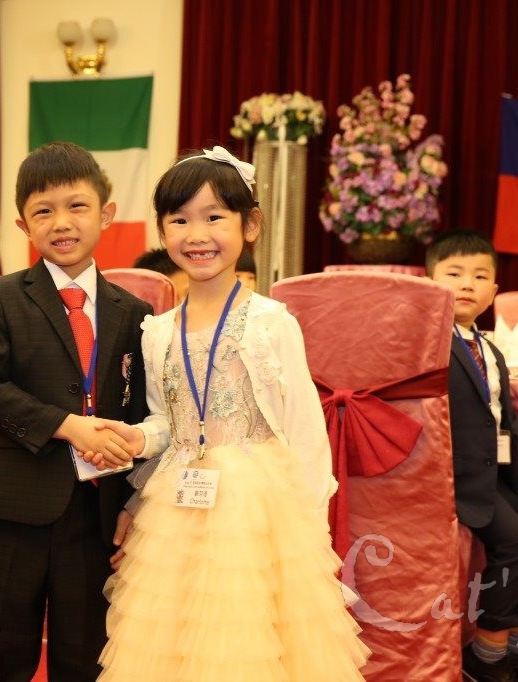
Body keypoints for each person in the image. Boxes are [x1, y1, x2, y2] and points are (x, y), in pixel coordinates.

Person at [86, 146, 369, 680]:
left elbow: (305, 430)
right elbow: (167, 422)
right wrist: (136, 443)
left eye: (214, 217)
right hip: (177, 501)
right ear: (162, 230)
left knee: (247, 641)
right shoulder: (157, 331)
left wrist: (307, 536)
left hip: (255, 506)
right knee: (173, 639)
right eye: (180, 220)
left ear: (250, 224)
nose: (197, 235)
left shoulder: (270, 322)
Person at [0, 140, 152, 682]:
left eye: (77, 206)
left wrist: (134, 501)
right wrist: (66, 426)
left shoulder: (133, 311)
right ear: (24, 226)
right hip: (13, 506)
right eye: (43, 211)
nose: (61, 222)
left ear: (106, 215)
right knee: (6, 653)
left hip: (95, 513)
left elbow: (142, 413)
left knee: (85, 656)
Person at [426, 230, 518, 682]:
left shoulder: (490, 350)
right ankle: (487, 650)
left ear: (494, 291)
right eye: (454, 273)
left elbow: (509, 428)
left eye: (480, 276)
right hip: (455, 478)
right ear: (429, 282)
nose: (468, 283)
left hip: (491, 473)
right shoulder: (429, 343)